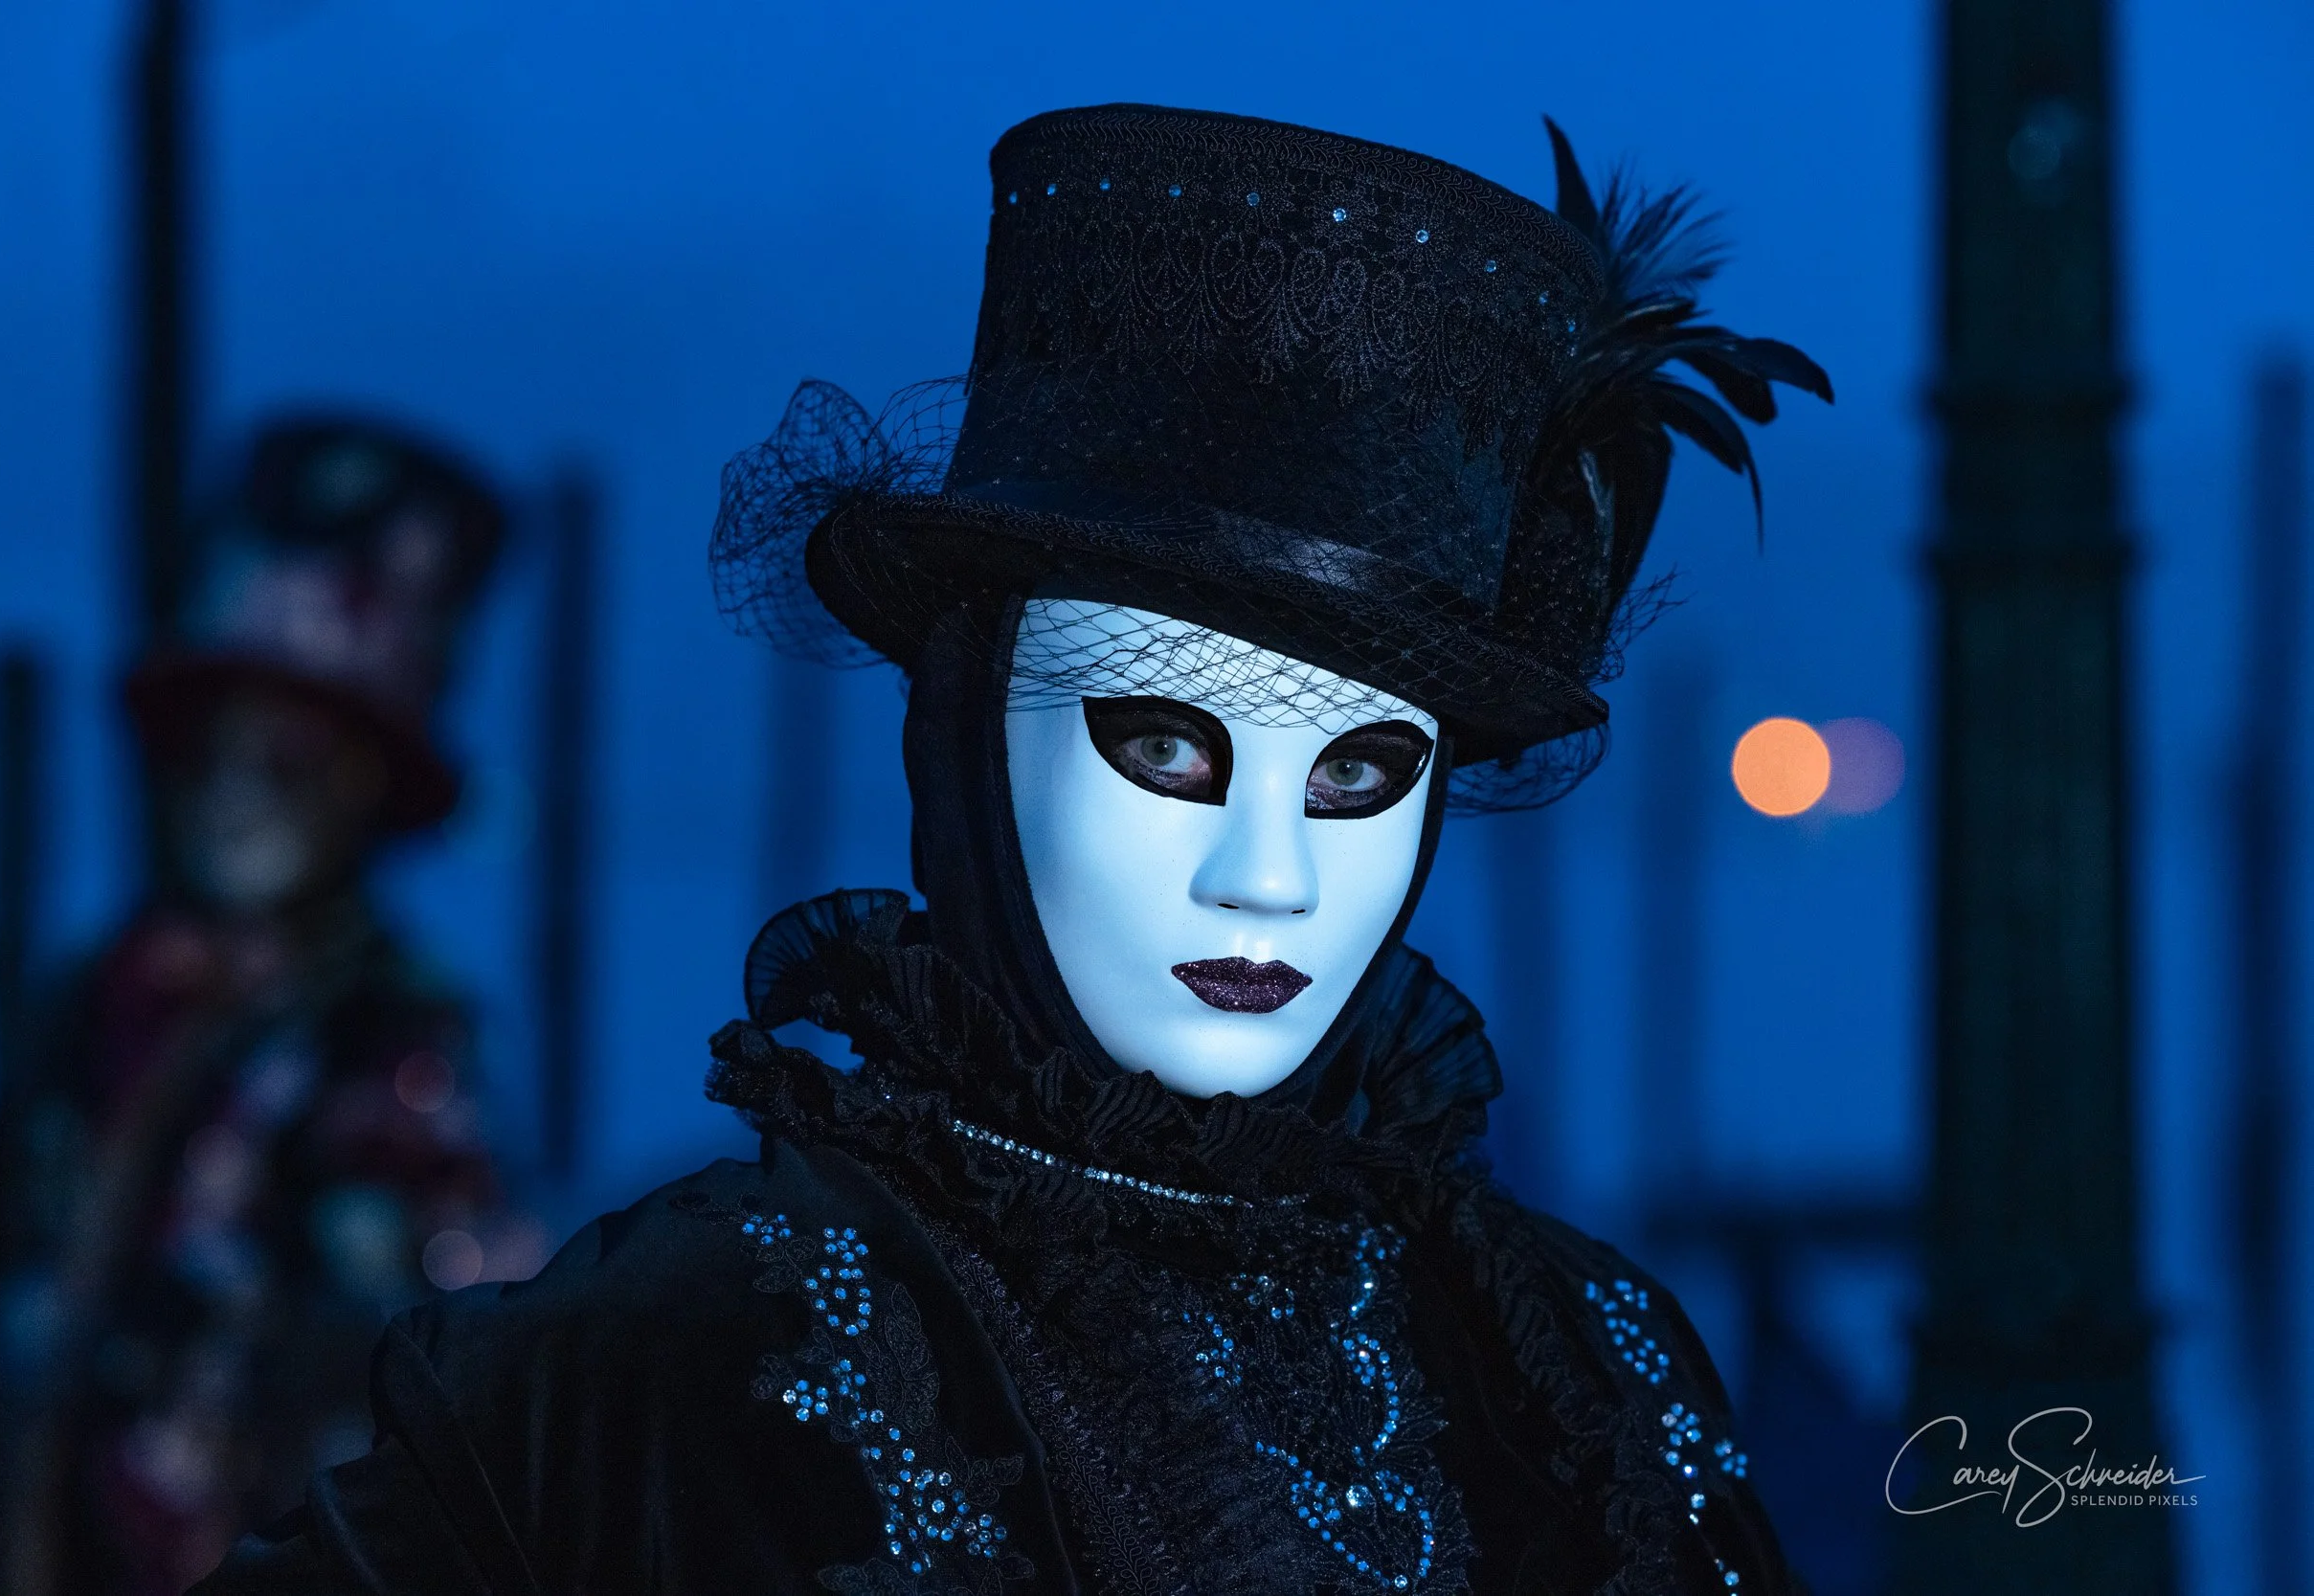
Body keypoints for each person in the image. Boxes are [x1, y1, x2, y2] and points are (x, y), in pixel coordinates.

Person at [201, 105, 1828, 1595]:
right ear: (975, 731)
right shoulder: (654, 1366)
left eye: (1357, 771)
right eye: (1169, 747)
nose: (1267, 876)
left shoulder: (1579, 1371)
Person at [0, 418, 523, 1596]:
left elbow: (436, 1313)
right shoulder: (103, 993)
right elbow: (6, 1200)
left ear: (367, 788)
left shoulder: (385, 1032)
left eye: (293, 762)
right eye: (215, 750)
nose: (239, 795)